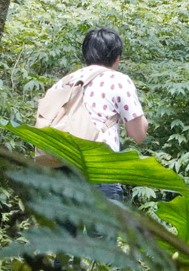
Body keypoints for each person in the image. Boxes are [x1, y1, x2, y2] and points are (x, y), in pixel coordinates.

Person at [40, 27, 148, 202]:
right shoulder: (118, 80)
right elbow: (138, 135)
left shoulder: (65, 82)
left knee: (63, 230)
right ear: (117, 58)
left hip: (62, 166)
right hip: (100, 167)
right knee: (101, 229)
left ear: (86, 55)